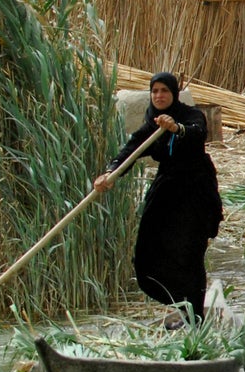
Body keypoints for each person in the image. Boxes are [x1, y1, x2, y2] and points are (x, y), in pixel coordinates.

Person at [94, 71, 222, 321]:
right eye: (155, 91)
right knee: (146, 257)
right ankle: (184, 306)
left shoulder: (190, 115)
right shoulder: (152, 122)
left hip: (195, 192)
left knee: (190, 253)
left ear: (174, 94)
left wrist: (176, 128)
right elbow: (130, 149)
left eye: (164, 91)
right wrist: (110, 173)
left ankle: (196, 318)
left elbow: (197, 133)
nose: (159, 95)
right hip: (167, 191)